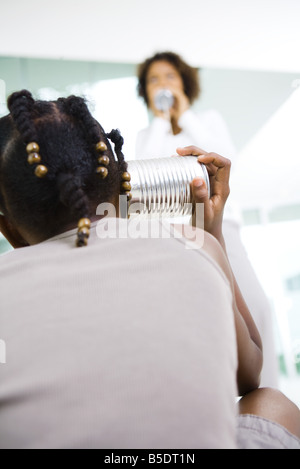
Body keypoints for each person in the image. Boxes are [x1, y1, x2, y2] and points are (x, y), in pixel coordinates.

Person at [0, 90, 299, 449]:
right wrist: (211, 236)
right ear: (124, 184)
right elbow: (249, 376)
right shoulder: (192, 243)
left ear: (9, 231)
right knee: (271, 402)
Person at [136, 51, 279, 387]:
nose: (163, 84)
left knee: (255, 306)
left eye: (170, 76)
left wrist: (183, 113)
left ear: (185, 83)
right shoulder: (146, 134)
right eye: (154, 79)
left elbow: (224, 161)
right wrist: (161, 119)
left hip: (220, 227)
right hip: (171, 234)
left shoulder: (209, 120)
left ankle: (267, 392)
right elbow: (143, 173)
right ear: (145, 91)